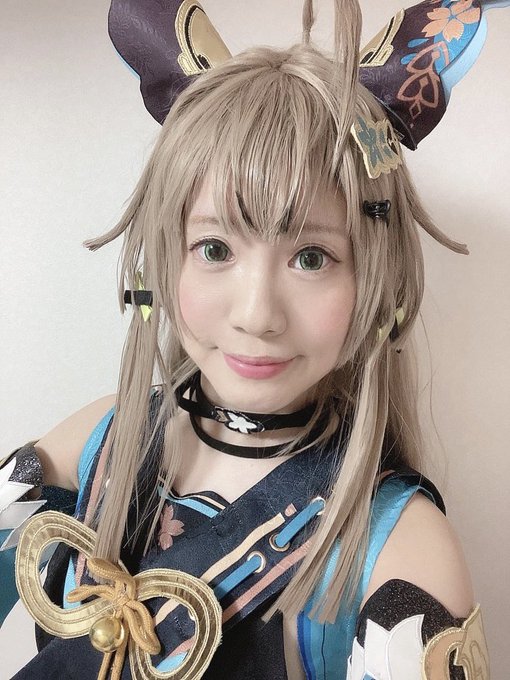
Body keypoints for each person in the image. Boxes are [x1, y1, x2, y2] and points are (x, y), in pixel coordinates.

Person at [0, 0, 502, 677]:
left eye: (312, 258)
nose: (258, 314)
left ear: (376, 279)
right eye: (214, 248)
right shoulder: (98, 443)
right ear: (165, 258)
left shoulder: (401, 553)